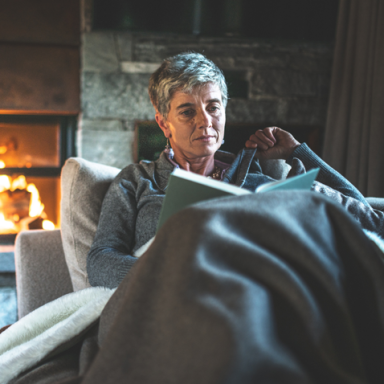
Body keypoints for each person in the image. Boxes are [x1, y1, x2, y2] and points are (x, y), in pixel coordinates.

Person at [87, 52, 384, 289]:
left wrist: (298, 152)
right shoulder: (137, 181)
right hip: (166, 299)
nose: (205, 122)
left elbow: (367, 218)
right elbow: (101, 260)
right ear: (164, 123)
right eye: (188, 111)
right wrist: (171, 276)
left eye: (213, 107)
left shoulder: (258, 181)